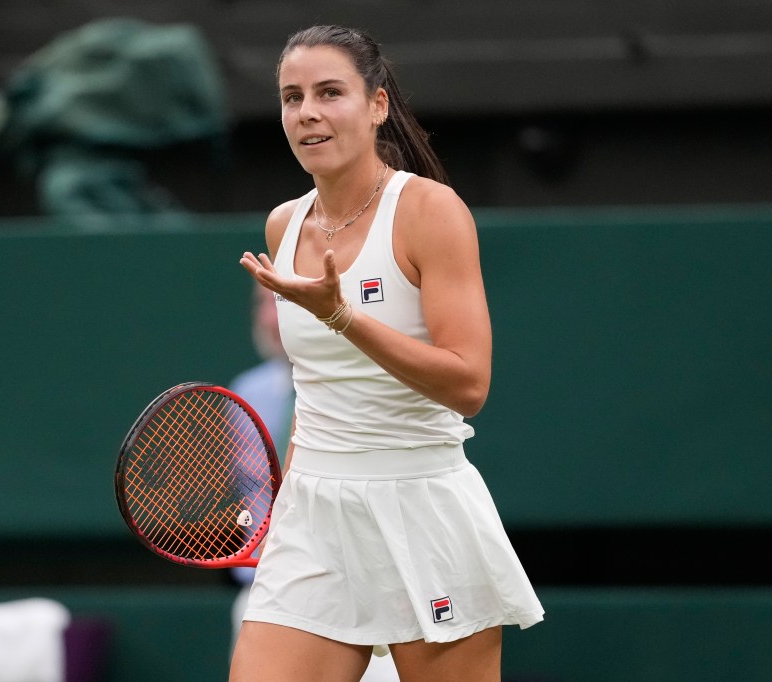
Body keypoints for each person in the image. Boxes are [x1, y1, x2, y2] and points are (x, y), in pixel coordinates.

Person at [231, 25, 544, 682]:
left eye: (329, 92)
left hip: (422, 513)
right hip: (314, 521)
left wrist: (342, 316)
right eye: (292, 97)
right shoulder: (283, 224)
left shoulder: (430, 212)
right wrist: (286, 500)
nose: (307, 112)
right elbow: (316, 386)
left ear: (376, 105)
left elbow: (468, 384)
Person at [227, 283, 402, 681]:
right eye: (261, 305)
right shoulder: (245, 393)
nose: (271, 320)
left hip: (363, 598)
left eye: (281, 303)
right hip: (264, 596)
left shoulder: (373, 386)